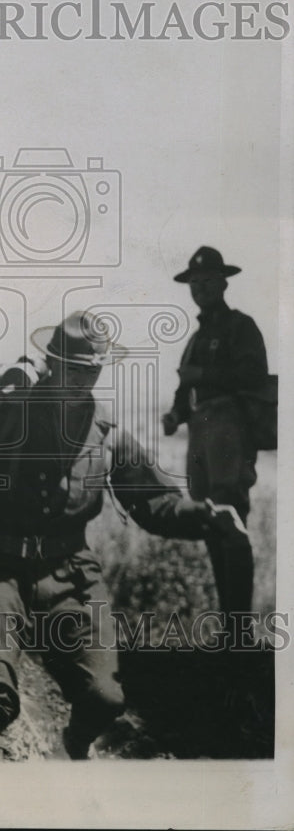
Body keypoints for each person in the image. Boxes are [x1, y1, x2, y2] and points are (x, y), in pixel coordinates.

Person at [0, 311, 242, 761]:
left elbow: (154, 503)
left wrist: (206, 515)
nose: (83, 378)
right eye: (74, 367)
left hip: (71, 574)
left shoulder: (108, 435)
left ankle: (73, 744)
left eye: (92, 369)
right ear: (50, 363)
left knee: (104, 699)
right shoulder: (13, 409)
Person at [161, 246, 268, 617]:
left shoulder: (241, 326)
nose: (200, 288)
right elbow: (183, 387)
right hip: (200, 433)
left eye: (207, 281)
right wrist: (175, 414)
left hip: (228, 428)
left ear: (223, 283)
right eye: (194, 282)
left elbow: (254, 376)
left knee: (229, 516)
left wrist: (204, 377)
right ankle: (229, 628)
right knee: (209, 520)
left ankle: (238, 629)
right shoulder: (194, 339)